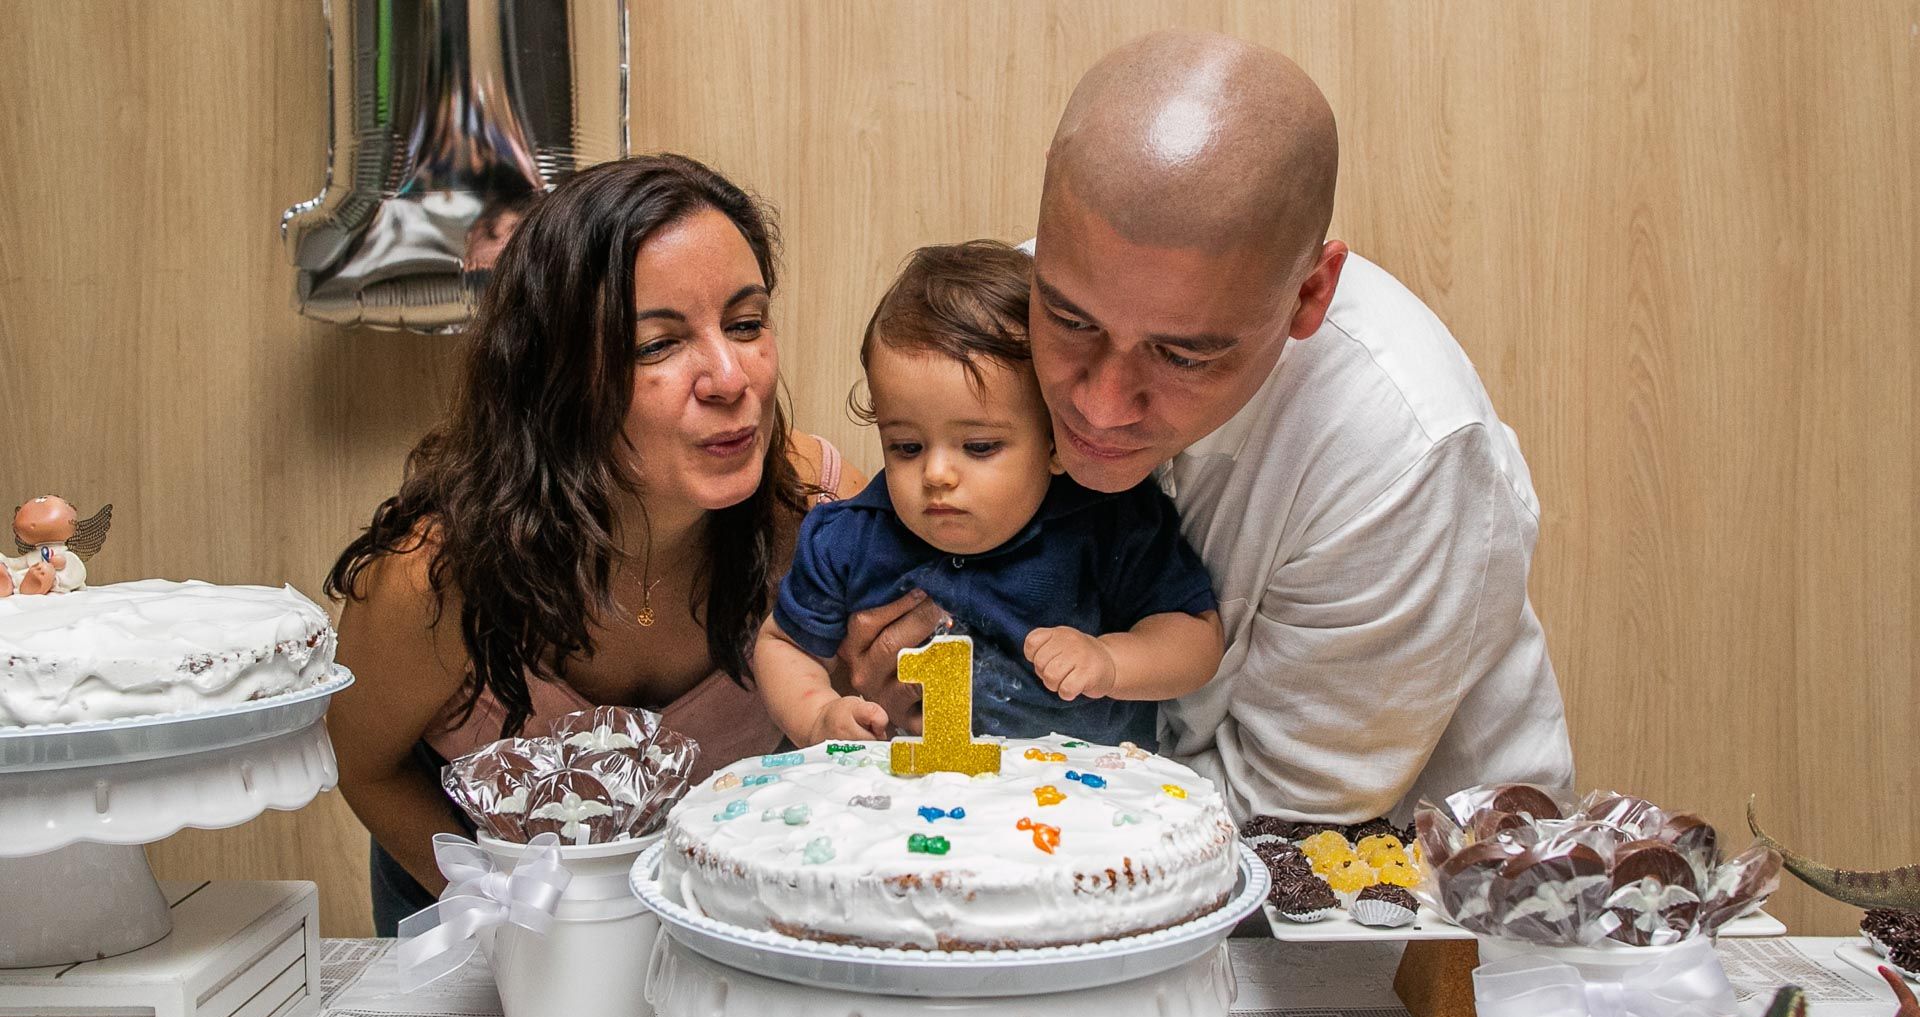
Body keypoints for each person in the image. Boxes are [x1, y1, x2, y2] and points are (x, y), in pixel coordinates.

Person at [841, 31, 1574, 826]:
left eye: (1183, 356)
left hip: (1374, 875)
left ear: (1309, 295)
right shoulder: (1007, 315)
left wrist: (1000, 812)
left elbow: (1280, 810)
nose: (1100, 406)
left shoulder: (1404, 453)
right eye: (1072, 321)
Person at [326, 154, 862, 935]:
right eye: (658, 345)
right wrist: (504, 918)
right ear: (557, 375)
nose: (729, 377)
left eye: (746, 325)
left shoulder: (821, 516)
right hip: (501, 920)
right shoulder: (432, 580)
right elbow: (362, 763)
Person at [752, 240, 1222, 749]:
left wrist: (1110, 660)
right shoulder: (849, 538)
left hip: (1083, 793)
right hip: (909, 793)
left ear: (1056, 441)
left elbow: (1196, 639)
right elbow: (783, 646)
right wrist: (818, 716)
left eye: (978, 447)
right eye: (906, 447)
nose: (936, 474)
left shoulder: (1109, 522)